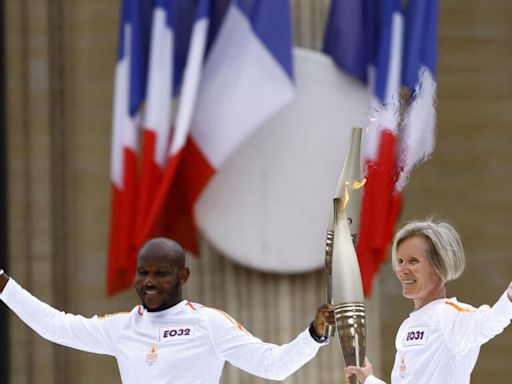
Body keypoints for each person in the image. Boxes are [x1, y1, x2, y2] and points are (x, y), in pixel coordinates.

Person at [0, 237, 335, 383]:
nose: (149, 281)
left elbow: (273, 366)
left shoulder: (207, 323)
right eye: (143, 272)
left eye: (160, 273)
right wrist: (4, 285)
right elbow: (53, 326)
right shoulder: (122, 328)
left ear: (182, 276)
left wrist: (315, 334)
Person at [346, 219, 512, 384]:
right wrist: (367, 379)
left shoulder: (449, 314)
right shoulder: (407, 327)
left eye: (413, 261)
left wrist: (509, 296)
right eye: (400, 261)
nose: (402, 270)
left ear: (438, 266)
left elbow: (491, 321)